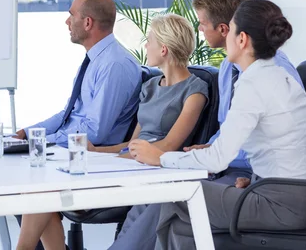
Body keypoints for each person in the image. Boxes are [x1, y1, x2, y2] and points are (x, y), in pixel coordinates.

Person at [107, 0, 304, 250]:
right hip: (265, 183)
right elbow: (267, 139)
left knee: (174, 194)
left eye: (231, 30)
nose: (199, 31)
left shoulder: (260, 79)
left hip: (279, 195)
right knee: (170, 206)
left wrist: (162, 157)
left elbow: (232, 154)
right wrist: (251, 173)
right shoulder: (242, 71)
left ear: (239, 37)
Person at [0, 0, 142, 250]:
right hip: (66, 150)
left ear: (88, 23)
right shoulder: (96, 60)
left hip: (88, 158)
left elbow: (94, 132)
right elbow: (67, 115)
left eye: (71, 15)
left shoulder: (115, 65)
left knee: (19, 180)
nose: (67, 22)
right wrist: (28, 134)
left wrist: (43, 142)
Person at [16, 14, 209, 250]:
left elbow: (169, 145)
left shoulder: (195, 90)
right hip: (130, 160)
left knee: (47, 191)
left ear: (165, 49)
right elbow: (132, 142)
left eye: (149, 40)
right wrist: (97, 151)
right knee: (41, 189)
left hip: (152, 167)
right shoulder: (150, 86)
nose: (145, 46)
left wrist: (124, 155)